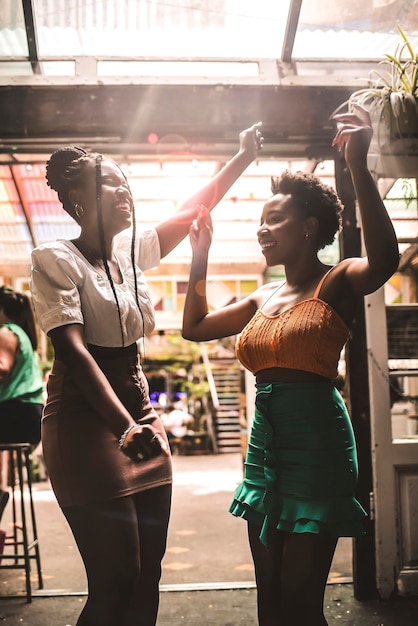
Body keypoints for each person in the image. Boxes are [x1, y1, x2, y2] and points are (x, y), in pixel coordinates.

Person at [29, 121, 263, 626]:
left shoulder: (128, 252)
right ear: (77, 198)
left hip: (141, 413)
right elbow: (73, 352)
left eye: (125, 181)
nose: (124, 190)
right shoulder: (54, 260)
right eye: (111, 182)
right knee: (115, 579)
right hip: (86, 420)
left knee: (147, 572)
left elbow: (192, 210)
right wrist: (125, 427)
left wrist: (242, 157)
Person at [181, 104, 399, 626]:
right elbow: (194, 327)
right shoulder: (262, 296)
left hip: (318, 447)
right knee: (270, 604)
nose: (262, 229)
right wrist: (200, 255)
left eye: (274, 219)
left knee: (301, 604)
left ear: (310, 226)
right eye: (260, 221)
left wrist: (358, 167)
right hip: (264, 451)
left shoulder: (339, 280)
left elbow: (387, 260)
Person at [0, 286, 43, 447]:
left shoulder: (7, 331)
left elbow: (2, 368)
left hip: (16, 413)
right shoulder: (22, 333)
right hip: (30, 412)